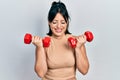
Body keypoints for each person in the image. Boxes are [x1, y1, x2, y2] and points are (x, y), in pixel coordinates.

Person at [32, 1, 89, 80]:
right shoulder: (42, 43)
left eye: (62, 22)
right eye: (54, 22)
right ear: (49, 22)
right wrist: (40, 48)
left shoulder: (77, 41)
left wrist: (78, 48)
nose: (59, 26)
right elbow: (41, 73)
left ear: (67, 23)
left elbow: (84, 71)